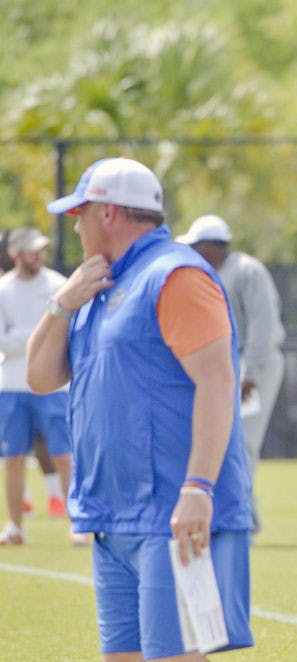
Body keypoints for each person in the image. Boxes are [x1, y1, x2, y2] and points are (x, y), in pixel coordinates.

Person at [26, 157, 254, 659]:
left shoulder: (176, 275)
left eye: (79, 212)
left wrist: (198, 488)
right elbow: (40, 378)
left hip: (175, 517)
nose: (75, 224)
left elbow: (218, 384)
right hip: (115, 518)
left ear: (107, 213)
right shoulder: (94, 285)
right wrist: (62, 303)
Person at [177, 214, 286, 533]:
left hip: (255, 368)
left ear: (211, 245)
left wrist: (249, 374)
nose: (193, 253)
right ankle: (242, 514)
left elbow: (262, 327)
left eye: (197, 246)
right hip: (229, 367)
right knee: (226, 439)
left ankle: (242, 518)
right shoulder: (213, 272)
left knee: (243, 440)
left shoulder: (246, 270)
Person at [0, 227, 80, 545]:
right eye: (32, 250)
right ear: (16, 255)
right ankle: (15, 526)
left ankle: (78, 523)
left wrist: (26, 337)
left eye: (41, 250)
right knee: (13, 457)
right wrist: (29, 338)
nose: (39, 255)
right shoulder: (3, 289)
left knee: (64, 454)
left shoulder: (58, 285)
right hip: (12, 385)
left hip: (54, 387)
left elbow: (65, 332)